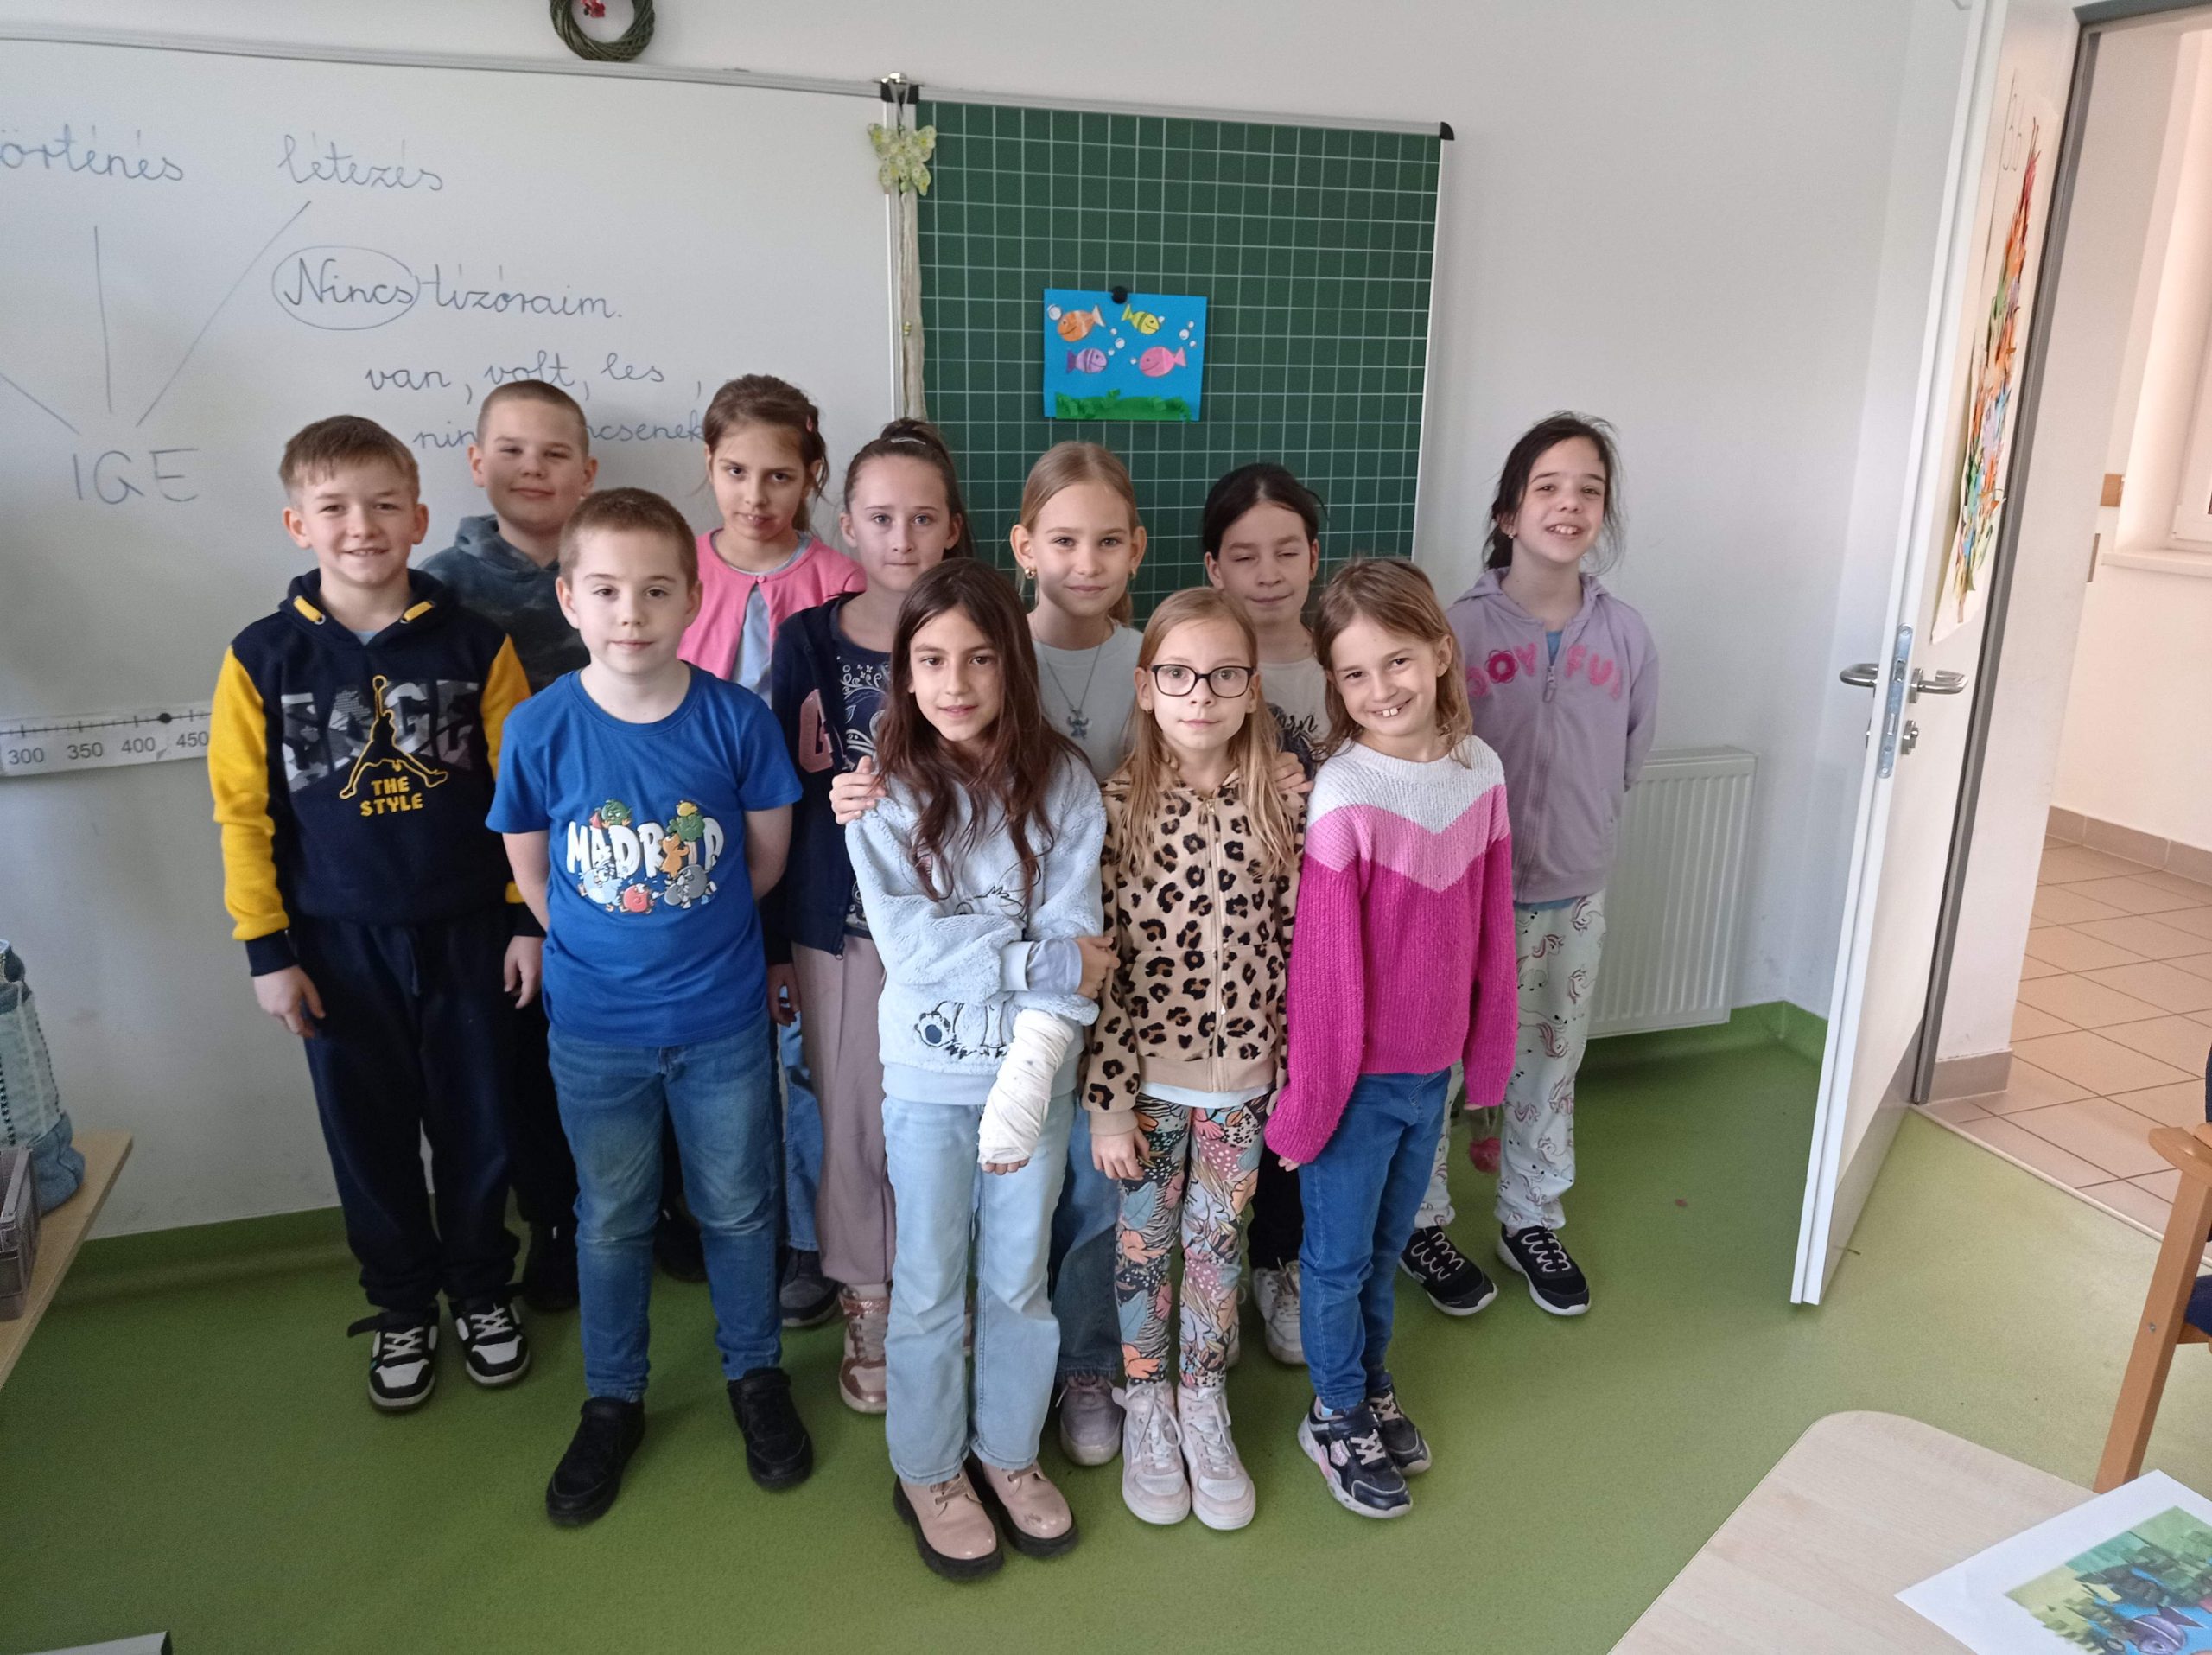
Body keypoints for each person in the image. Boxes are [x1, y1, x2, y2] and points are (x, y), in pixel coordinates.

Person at [489, 487, 810, 1526]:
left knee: (739, 1208)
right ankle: (612, 1397)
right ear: (568, 600)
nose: (631, 612)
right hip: (595, 1033)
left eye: (656, 590)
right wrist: (606, 950)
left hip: (719, 1023)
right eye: (606, 590)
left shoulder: (735, 721)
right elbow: (534, 874)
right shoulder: (540, 727)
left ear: (691, 597)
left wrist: (683, 939)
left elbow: (762, 864)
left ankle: (754, 1373)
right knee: (612, 1217)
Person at [208, 414, 537, 1411]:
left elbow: (522, 795)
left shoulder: (478, 644)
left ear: (419, 518)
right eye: (336, 508)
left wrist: (527, 920)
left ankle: (481, 1289)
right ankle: (401, 1304)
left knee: (480, 1126)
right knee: (368, 1137)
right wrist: (268, 950)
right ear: (297, 523)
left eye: (385, 504)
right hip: (334, 947)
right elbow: (242, 812)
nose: (362, 526)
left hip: (470, 932)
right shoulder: (261, 657)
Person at [847, 559, 1110, 1581]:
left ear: (1013, 665)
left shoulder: (1065, 781)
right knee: (925, 1284)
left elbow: (1079, 928)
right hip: (926, 1079)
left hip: (1030, 1080)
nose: (953, 682)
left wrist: (1036, 966)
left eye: (979, 658)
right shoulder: (880, 788)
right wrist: (1035, 958)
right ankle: (927, 1467)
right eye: (930, 660)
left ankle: (1005, 1450)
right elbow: (912, 951)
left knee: (1017, 1279)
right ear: (904, 671)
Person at [1265, 558, 1518, 1519]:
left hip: (1430, 1077)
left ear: (1441, 652)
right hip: (1355, 1086)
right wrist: (1310, 1110)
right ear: (1335, 684)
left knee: (1384, 1249)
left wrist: (1483, 1070)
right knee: (1333, 1263)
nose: (1382, 688)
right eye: (1356, 673)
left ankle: (1371, 1386)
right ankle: (1334, 1412)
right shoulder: (1344, 792)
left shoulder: (1481, 770)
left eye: (1398, 660)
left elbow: (1494, 931)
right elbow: (1324, 975)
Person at [762, 418, 972, 1413]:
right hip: (837, 929)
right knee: (850, 1120)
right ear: (845, 524)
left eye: (923, 517)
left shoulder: (979, 636)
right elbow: (775, 801)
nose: (902, 537)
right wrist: (775, 944)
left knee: (944, 1126)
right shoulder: (807, 639)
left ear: (953, 528)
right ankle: (869, 1298)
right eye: (881, 517)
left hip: (959, 933)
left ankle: (940, 1291)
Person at [1425, 413, 1656, 1318]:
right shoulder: (1456, 630)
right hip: (1463, 898)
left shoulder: (1626, 635)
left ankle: (1529, 1216)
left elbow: (1629, 756)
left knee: (1549, 1063)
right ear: (1509, 512)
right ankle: (1420, 1221)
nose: (1569, 504)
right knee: (1436, 1065)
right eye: (1548, 487)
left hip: (1571, 894)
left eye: (1588, 490)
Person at [1086, 589, 1302, 1531]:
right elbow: (1102, 970)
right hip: (1147, 1088)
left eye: (1222, 675)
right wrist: (1107, 1103)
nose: (1200, 694)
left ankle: (1204, 1398)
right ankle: (1147, 1402)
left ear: (1253, 689)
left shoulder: (1280, 806)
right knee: (1145, 1250)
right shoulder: (1115, 808)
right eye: (1178, 674)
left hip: (1244, 1087)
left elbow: (1295, 952)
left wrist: (1293, 1080)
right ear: (1146, 686)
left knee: (1218, 1248)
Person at [681, 373, 865, 1327]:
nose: (756, 496)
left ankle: (807, 1236)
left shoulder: (840, 580)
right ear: (709, 466)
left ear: (811, 476)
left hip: (808, 848)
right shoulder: (676, 572)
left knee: (803, 1050)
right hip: (696, 849)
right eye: (735, 471)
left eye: (780, 475)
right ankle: (730, 1223)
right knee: (720, 1050)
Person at [420, 378, 596, 1315]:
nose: (535, 469)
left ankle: (659, 1207)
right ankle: (556, 1222)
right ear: (477, 462)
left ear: (587, 471)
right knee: (528, 1064)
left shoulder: (623, 564)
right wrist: (514, 902)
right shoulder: (439, 591)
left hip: (632, 857)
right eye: (514, 451)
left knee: (641, 1040)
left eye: (555, 453)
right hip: (505, 876)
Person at [1201, 461, 1330, 1366]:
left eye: (1287, 551)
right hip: (1234, 931)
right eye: (1245, 556)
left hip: (1333, 922)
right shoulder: (1203, 665)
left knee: (1304, 1090)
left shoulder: (1347, 656)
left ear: (1314, 556)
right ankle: (1213, 1269)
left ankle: (1280, 1261)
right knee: (1233, 1098)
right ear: (1214, 568)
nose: (1269, 573)